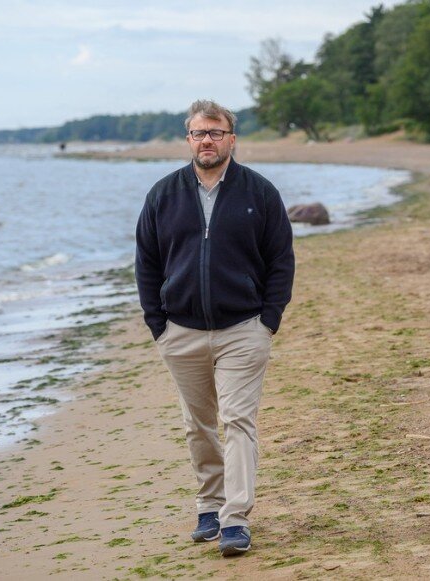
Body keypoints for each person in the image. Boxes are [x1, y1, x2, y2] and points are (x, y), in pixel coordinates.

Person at [135, 100, 295, 557]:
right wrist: (158, 326)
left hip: (244, 329)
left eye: (216, 132)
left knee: (238, 420)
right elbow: (146, 262)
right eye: (199, 133)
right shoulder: (163, 195)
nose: (207, 140)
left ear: (231, 138)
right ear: (189, 140)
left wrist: (269, 320)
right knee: (198, 424)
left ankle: (236, 517)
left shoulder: (259, 192)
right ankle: (209, 504)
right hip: (180, 332)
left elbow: (281, 259)